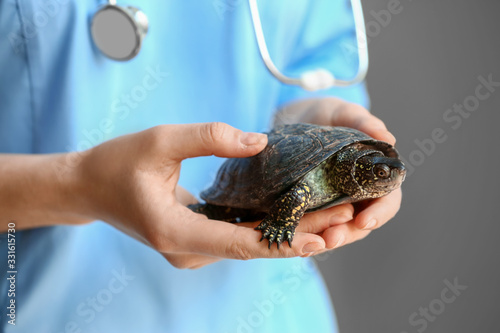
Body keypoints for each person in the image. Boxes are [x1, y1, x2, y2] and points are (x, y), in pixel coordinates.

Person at [0, 1, 401, 332]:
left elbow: (314, 73)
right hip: (53, 308)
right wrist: (79, 185)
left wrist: (319, 112)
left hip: (269, 312)